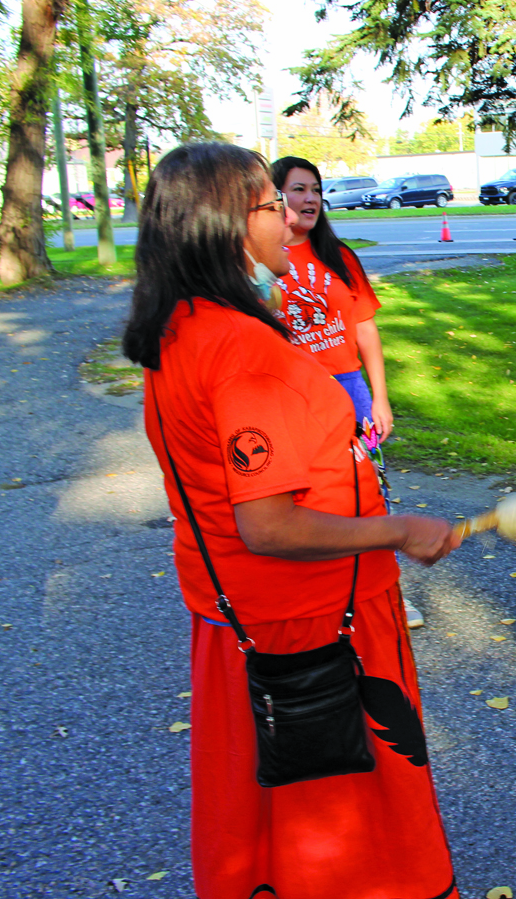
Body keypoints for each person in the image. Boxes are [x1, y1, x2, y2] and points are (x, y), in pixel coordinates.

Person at [121, 143, 462, 896]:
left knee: (265, 817)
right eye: (272, 204)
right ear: (228, 224)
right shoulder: (242, 349)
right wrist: (399, 529)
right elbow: (269, 525)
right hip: (308, 625)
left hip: (240, 615)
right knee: (340, 827)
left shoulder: (177, 326)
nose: (289, 217)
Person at [270, 156, 424, 630]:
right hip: (293, 396)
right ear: (274, 198)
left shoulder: (340, 257)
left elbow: (365, 329)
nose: (310, 199)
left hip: (350, 390)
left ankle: (387, 590)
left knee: (369, 491)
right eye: (298, 189)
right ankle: (324, 594)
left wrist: (380, 397)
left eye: (316, 190)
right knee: (310, 499)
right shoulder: (259, 261)